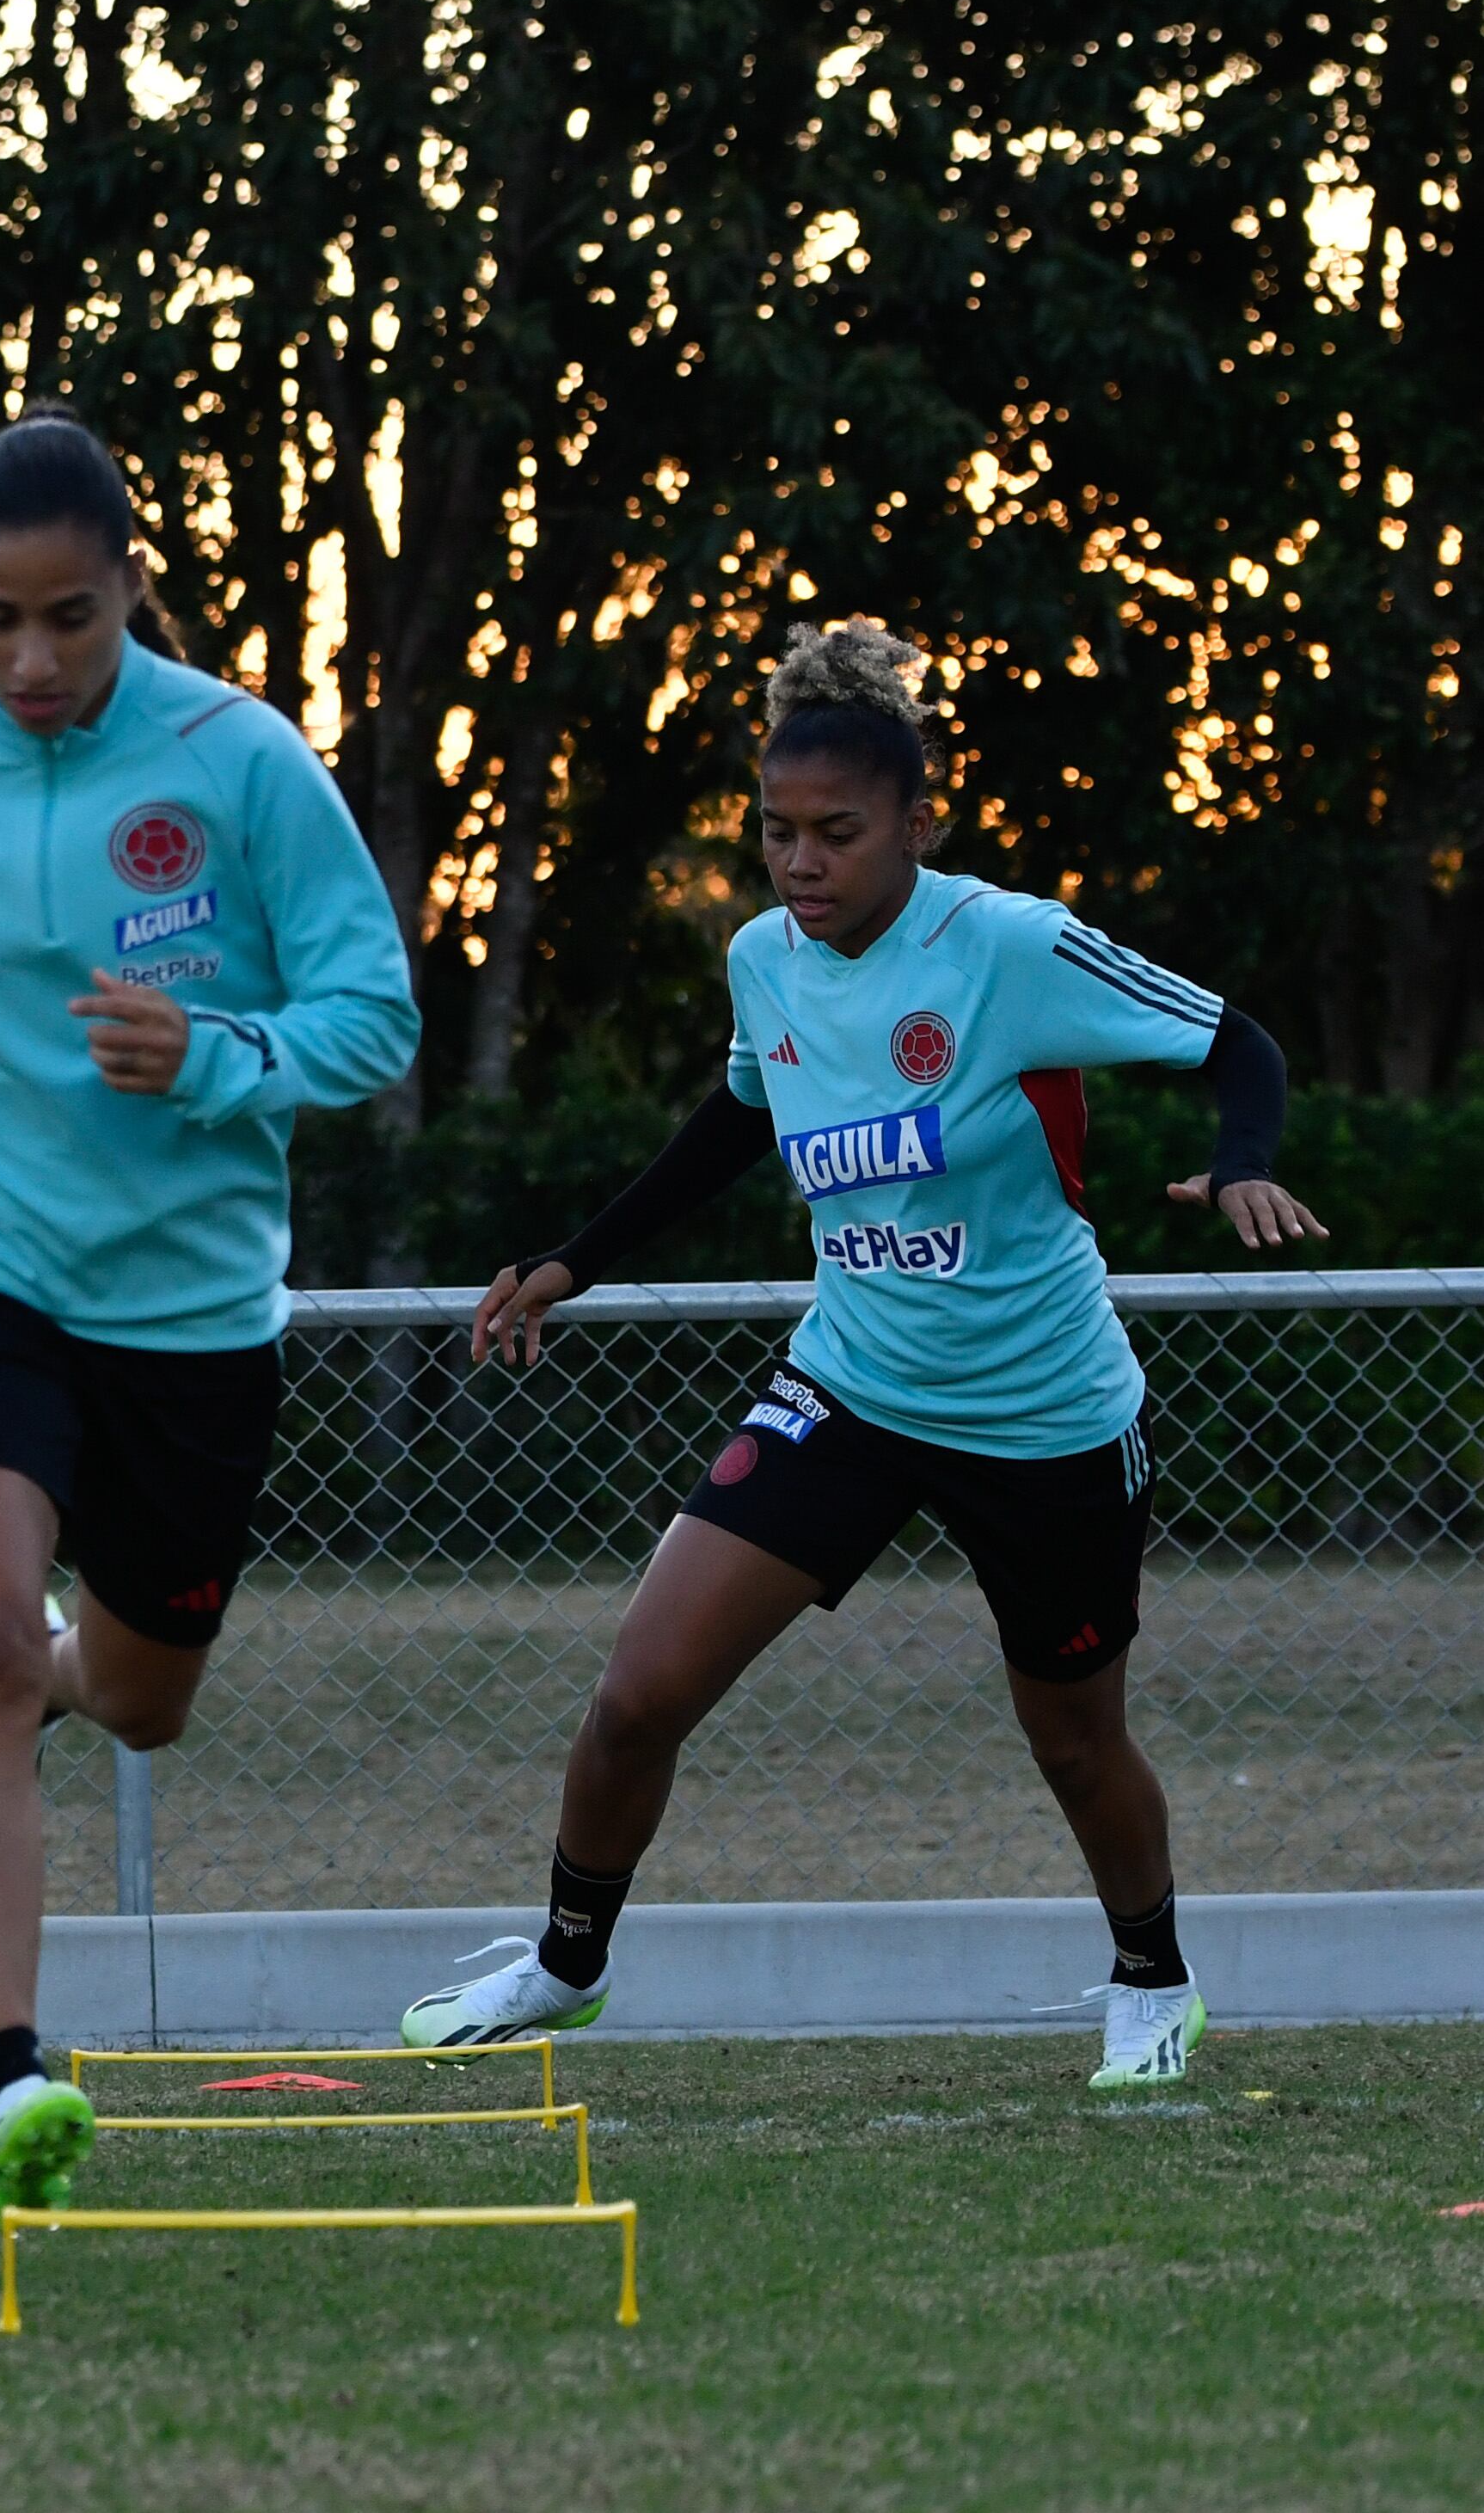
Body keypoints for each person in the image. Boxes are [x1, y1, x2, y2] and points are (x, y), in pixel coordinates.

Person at [397, 619, 1326, 2089]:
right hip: (851, 1383)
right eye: (773, 832)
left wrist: (1238, 1160)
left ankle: (1150, 1977)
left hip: (1041, 1412)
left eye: (834, 831)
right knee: (638, 1688)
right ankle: (562, 1963)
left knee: (1075, 1737)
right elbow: (734, 1122)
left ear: (917, 821)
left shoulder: (1003, 946)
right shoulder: (761, 959)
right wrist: (570, 1258)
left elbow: (1237, 1044)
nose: (796, 861)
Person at [0, 409, 422, 2211]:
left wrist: (213, 1053)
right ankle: (6, 2079)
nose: (31, 662)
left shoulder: (241, 761)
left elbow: (371, 1020)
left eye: (70, 620)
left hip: (187, 1310)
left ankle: (62, 1660)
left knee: (132, 1700)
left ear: (132, 587)